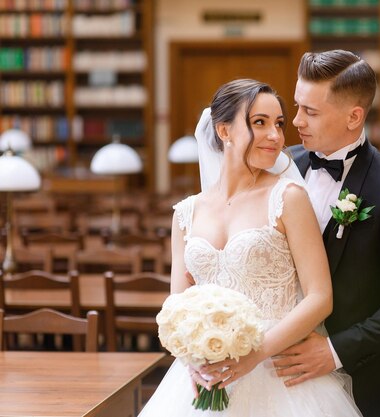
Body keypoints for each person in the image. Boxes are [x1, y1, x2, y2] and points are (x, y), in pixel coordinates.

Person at [138, 78, 363, 416]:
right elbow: (178, 305)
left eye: (279, 124)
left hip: (279, 372)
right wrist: (192, 361)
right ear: (224, 130)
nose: (275, 135)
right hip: (207, 375)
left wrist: (254, 356)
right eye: (260, 123)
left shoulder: (288, 197)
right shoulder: (186, 213)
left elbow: (320, 297)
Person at [273, 50, 380, 417]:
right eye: (297, 106)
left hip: (360, 376)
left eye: (311, 111)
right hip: (276, 372)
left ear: (354, 116)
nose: (296, 121)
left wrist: (335, 351)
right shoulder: (281, 166)